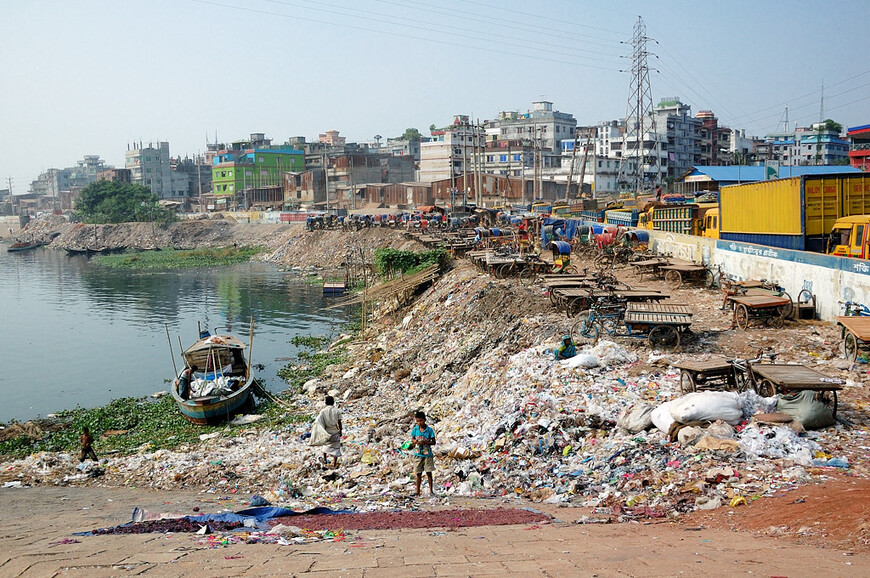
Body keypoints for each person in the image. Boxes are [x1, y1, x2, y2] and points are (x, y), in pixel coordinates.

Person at [409, 410, 436, 496]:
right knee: (418, 474)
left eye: (420, 420)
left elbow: (433, 442)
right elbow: (412, 439)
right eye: (417, 421)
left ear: (424, 420)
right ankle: (417, 491)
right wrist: (415, 441)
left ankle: (431, 491)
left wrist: (425, 442)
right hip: (418, 454)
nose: (419, 423)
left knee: (429, 473)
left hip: (427, 455)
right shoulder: (415, 429)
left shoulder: (429, 430)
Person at [316, 395, 343, 468]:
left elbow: (319, 421)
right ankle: (334, 464)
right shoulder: (337, 411)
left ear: (325, 403)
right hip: (335, 431)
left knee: (325, 446)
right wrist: (340, 431)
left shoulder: (323, 411)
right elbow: (339, 422)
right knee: (336, 448)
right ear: (333, 402)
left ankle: (324, 459)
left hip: (327, 431)